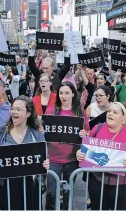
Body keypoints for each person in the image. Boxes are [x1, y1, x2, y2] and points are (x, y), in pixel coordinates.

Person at [0, 96, 50, 210]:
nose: (14, 112)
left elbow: (44, 156)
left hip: (31, 186)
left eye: (18, 109)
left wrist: (46, 163)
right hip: (7, 187)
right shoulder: (1, 133)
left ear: (28, 113)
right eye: (12, 108)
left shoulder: (36, 133)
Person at [77, 102, 126, 210]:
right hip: (97, 180)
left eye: (115, 112)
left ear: (123, 118)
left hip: (121, 183)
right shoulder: (97, 128)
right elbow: (86, 148)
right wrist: (80, 152)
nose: (110, 114)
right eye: (109, 111)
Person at [44, 81, 89, 210]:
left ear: (73, 94)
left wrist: (84, 134)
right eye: (61, 93)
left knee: (68, 192)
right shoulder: (51, 110)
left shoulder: (80, 112)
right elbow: (43, 132)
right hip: (53, 159)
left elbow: (88, 134)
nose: (63, 96)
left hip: (72, 159)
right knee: (51, 192)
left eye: (67, 93)